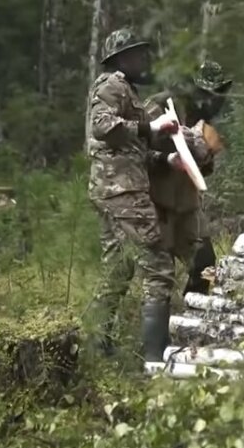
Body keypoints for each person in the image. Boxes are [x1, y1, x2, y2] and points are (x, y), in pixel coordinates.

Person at [86, 28, 182, 362]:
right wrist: (150, 128)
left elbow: (130, 149)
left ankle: (97, 348)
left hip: (114, 188)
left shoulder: (128, 91)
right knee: (157, 265)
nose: (145, 61)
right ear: (122, 58)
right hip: (121, 191)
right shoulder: (112, 85)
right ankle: (155, 361)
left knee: (118, 268)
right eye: (139, 55)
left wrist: (166, 158)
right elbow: (101, 126)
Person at [145, 60, 233, 297]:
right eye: (207, 93)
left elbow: (201, 171)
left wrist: (204, 154)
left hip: (187, 206)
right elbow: (133, 153)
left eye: (217, 94)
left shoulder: (205, 121)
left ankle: (191, 324)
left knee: (204, 265)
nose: (212, 100)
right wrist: (166, 155)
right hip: (157, 206)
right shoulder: (161, 106)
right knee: (160, 277)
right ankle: (157, 331)